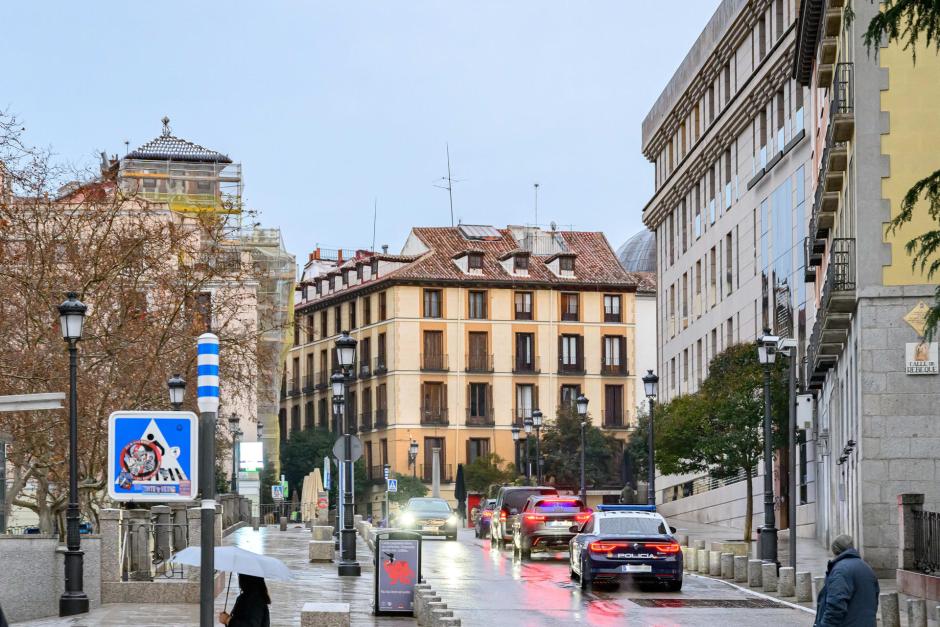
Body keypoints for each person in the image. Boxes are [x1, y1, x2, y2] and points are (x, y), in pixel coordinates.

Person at [814, 534, 879, 626]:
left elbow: (836, 605)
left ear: (835, 550)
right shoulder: (866, 567)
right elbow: (874, 601)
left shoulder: (840, 570)